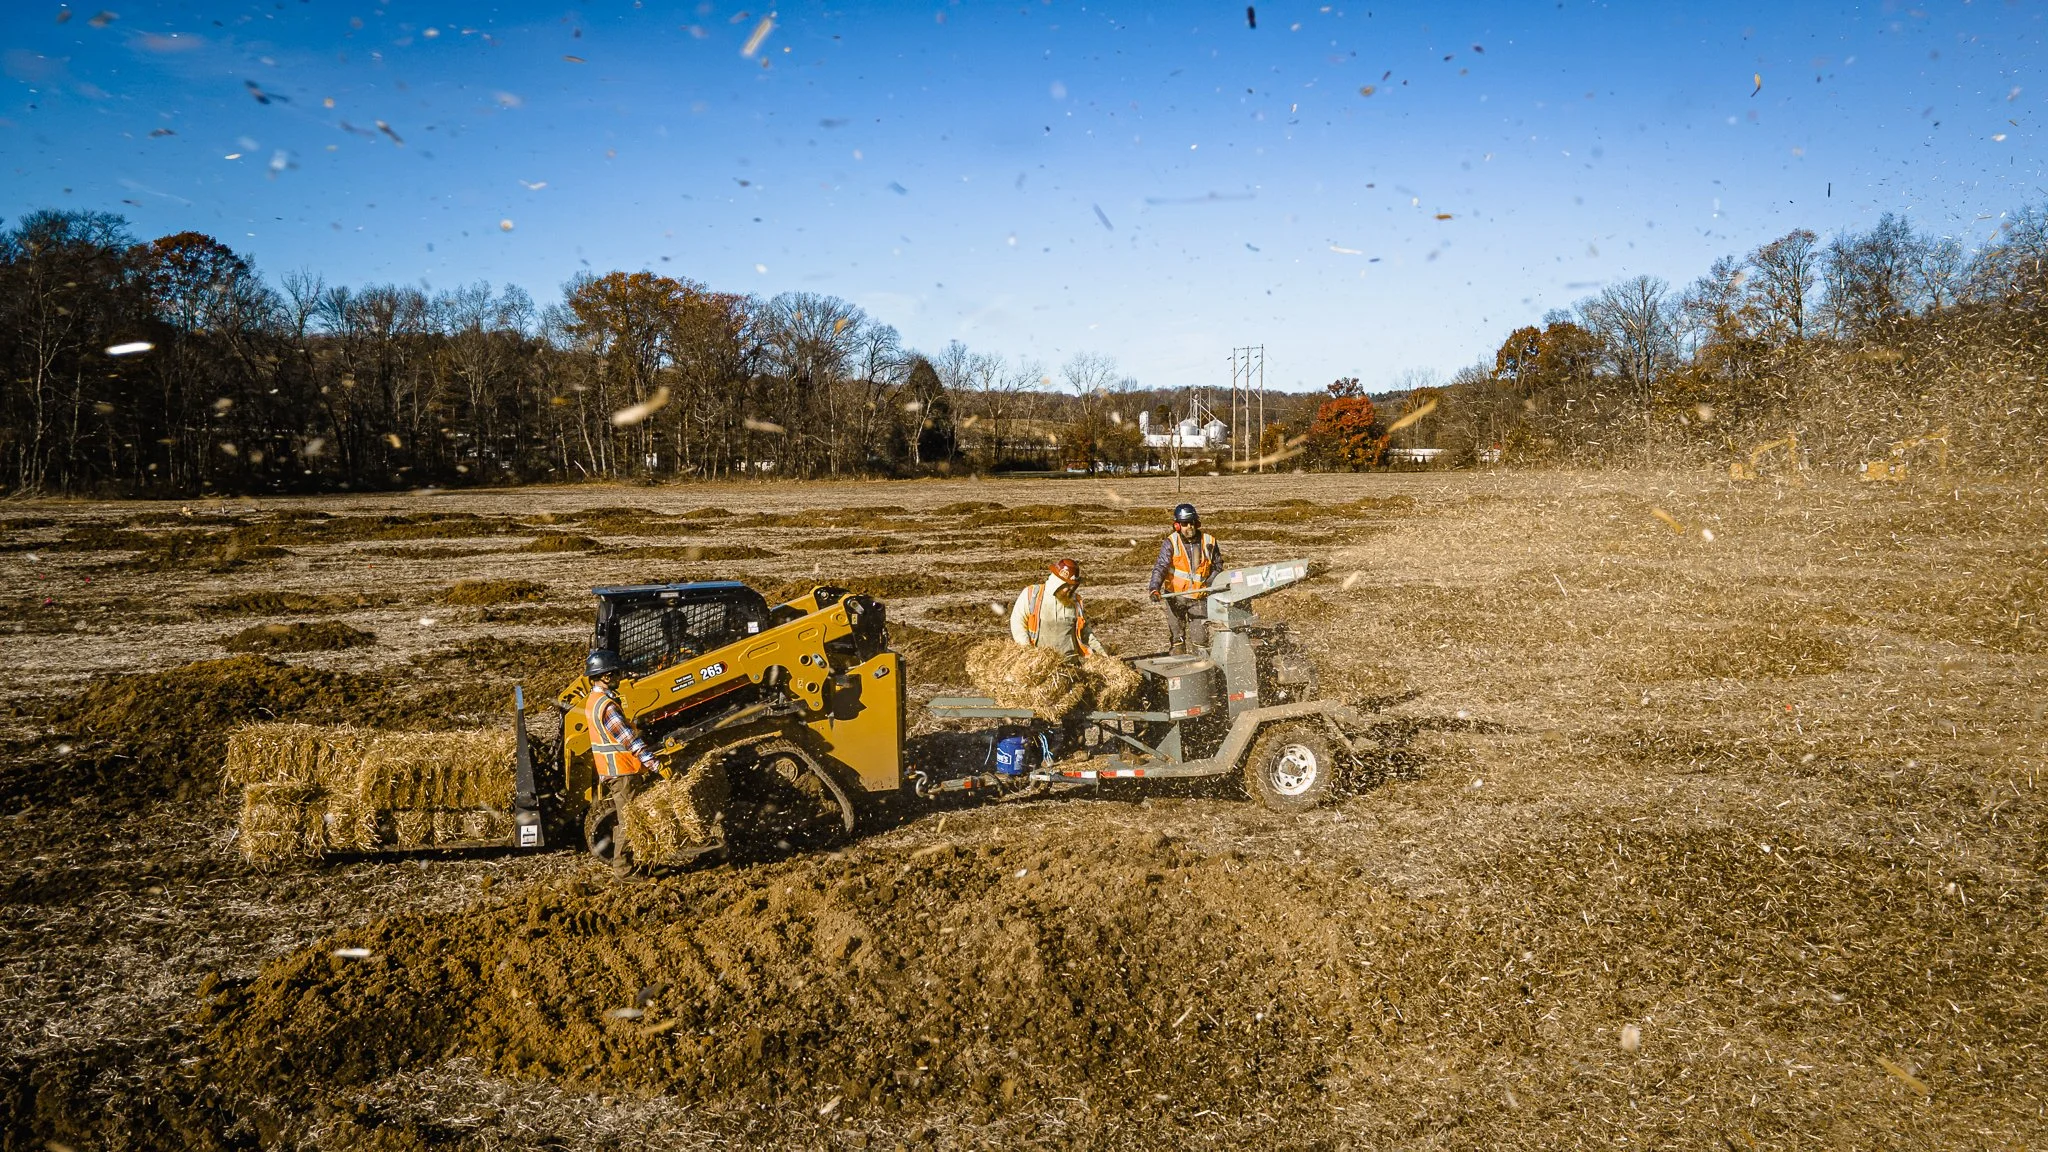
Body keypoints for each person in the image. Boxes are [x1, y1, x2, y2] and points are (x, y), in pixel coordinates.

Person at [583, 649, 662, 866]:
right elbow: (628, 739)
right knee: (630, 821)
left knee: (628, 818)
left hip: (615, 771)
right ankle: (624, 870)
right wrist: (652, 762)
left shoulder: (594, 700)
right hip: (623, 771)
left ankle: (636, 864)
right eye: (616, 674)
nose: (620, 677)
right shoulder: (606, 706)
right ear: (606, 676)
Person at [1148, 502, 1222, 654]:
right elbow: (1161, 567)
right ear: (1177, 526)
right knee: (1177, 641)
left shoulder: (1209, 542)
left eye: (1192, 522)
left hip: (1199, 599)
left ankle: (1202, 673)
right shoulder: (1171, 542)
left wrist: (1209, 582)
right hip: (1175, 598)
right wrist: (1154, 588)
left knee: (1200, 642)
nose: (1189, 527)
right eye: (1185, 523)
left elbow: (1218, 567)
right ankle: (1179, 672)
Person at [1010, 557, 1111, 657]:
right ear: (1056, 582)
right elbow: (1017, 623)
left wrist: (1102, 654)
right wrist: (1028, 652)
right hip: (1041, 664)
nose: (1070, 589)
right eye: (1066, 585)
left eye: (1073, 586)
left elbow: (1085, 633)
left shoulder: (1075, 602)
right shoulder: (1032, 594)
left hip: (1070, 667)